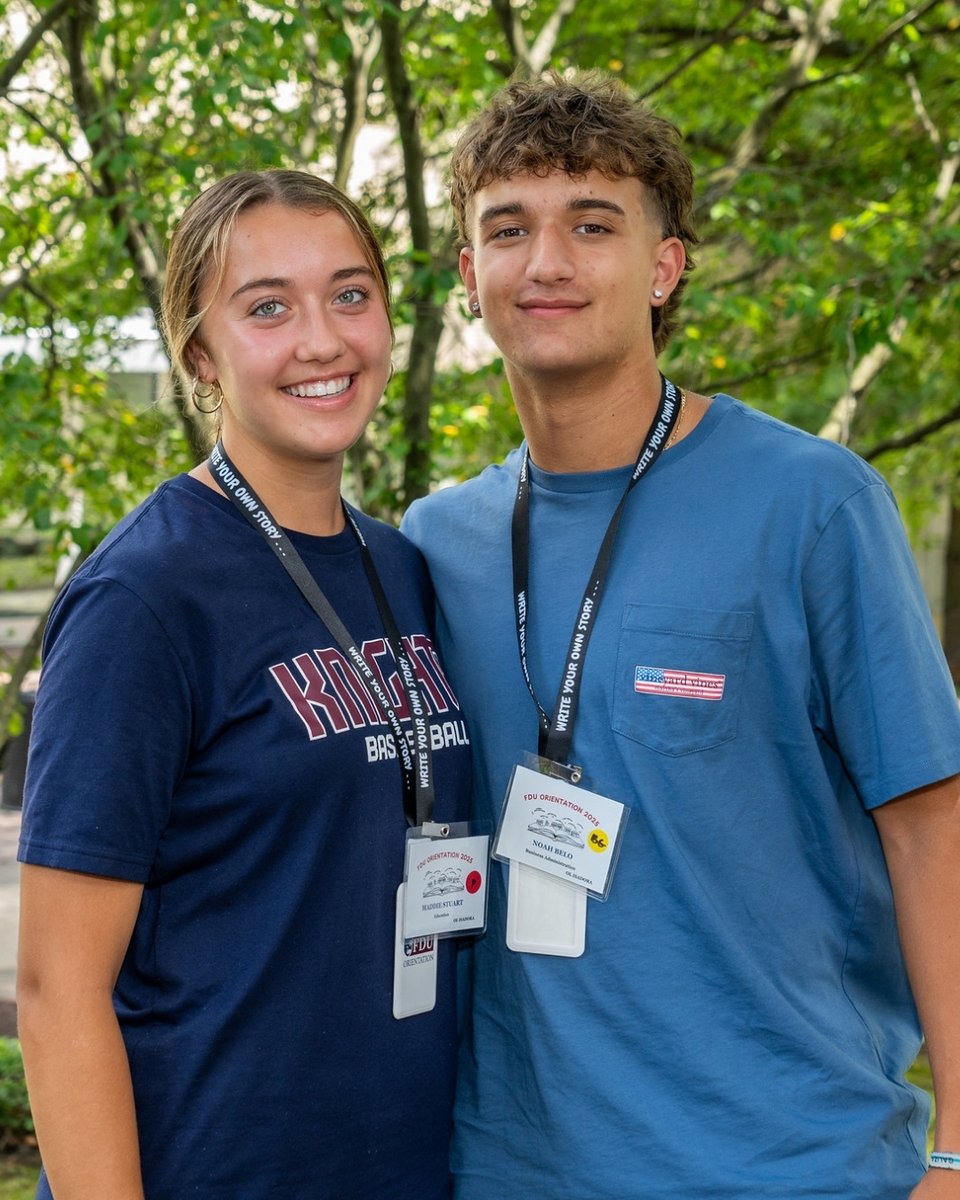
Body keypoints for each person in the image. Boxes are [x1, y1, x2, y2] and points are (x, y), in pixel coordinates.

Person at [402, 74, 960, 1199]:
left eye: (592, 226)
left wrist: (958, 1148)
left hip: (794, 1163)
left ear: (665, 268)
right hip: (509, 1169)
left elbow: (934, 830)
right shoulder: (433, 542)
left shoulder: (813, 504)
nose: (547, 262)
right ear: (470, 277)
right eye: (508, 229)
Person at [18, 169, 470, 1200]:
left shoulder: (400, 570)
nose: (322, 339)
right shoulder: (144, 595)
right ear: (199, 353)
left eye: (351, 295)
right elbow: (56, 989)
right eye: (267, 307)